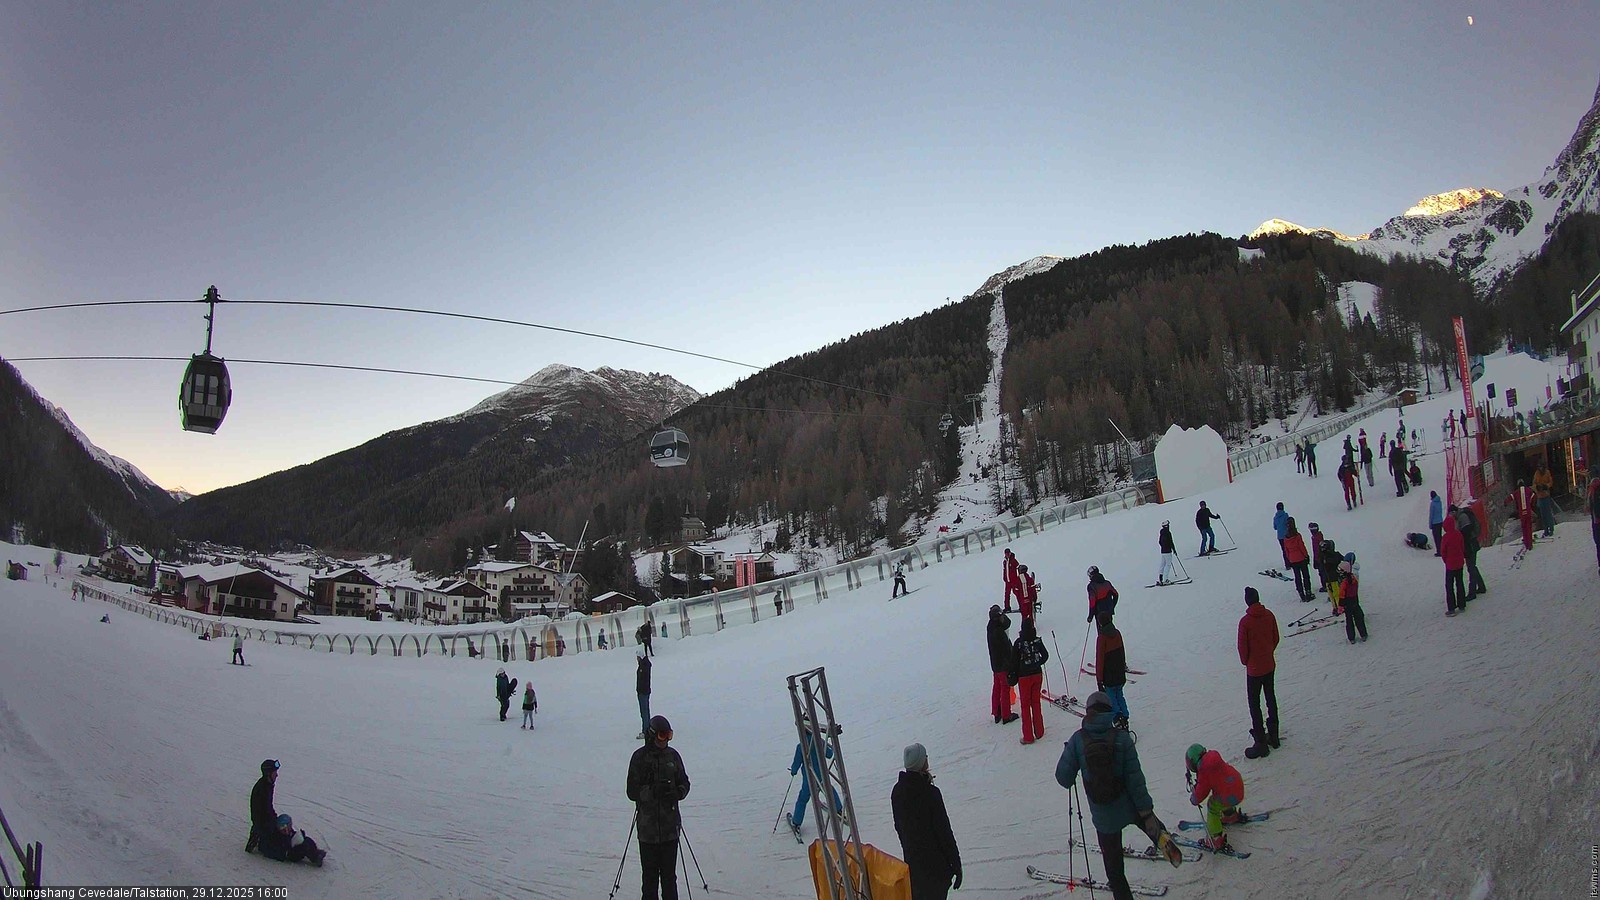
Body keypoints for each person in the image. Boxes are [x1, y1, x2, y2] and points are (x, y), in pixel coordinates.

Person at [1055, 692, 1183, 900]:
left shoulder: (1078, 740)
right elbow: (1136, 780)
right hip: (1129, 805)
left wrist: (1072, 755)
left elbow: (1063, 778)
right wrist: (1146, 811)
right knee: (1147, 821)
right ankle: (1162, 837)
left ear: (1088, 712)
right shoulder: (1122, 738)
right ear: (1109, 712)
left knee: (1115, 870)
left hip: (1104, 817)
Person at [626, 715, 690, 900]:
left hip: (670, 830)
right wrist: (653, 791)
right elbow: (632, 791)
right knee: (650, 880)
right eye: (663, 736)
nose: (666, 740)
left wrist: (677, 793)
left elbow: (684, 782)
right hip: (648, 833)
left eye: (669, 735)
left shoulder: (673, 756)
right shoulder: (639, 758)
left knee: (669, 879)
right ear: (653, 735)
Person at [892, 743, 962, 900]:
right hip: (936, 869)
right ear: (921, 763)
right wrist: (956, 864)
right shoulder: (930, 793)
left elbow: (898, 827)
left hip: (913, 868)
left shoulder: (897, 791)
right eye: (925, 757)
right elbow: (944, 832)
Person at [1237, 587, 1279, 759]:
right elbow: (1275, 638)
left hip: (1254, 670)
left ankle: (1260, 742)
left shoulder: (1245, 622)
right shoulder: (1269, 615)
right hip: (1269, 665)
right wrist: (1268, 652)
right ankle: (1274, 735)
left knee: (1254, 704)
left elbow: (1242, 648)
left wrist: (1247, 661)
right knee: (1270, 697)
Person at [1185, 744, 1245, 852]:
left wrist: (1194, 798)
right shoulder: (1214, 758)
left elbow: (1201, 792)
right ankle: (1230, 814)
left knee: (1212, 805)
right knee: (1221, 794)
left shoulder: (1204, 771)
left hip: (1228, 795)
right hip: (1237, 787)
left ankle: (1216, 839)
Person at [788, 724, 843, 833]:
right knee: (830, 790)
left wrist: (793, 771)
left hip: (809, 778)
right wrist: (824, 743)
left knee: (803, 799)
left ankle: (796, 822)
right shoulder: (819, 742)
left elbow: (796, 764)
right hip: (822, 775)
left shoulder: (801, 746)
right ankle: (839, 810)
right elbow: (829, 754)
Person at [1010, 618, 1048, 745]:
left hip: (1024, 677)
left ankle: (1028, 736)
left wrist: (1015, 673)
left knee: (1025, 706)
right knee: (1036, 702)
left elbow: (1014, 661)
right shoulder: (1037, 640)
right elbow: (1045, 655)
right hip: (1037, 674)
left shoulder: (1019, 643)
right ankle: (1039, 731)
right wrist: (1037, 663)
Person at [1094, 619, 1131, 729]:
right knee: (1119, 695)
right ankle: (1125, 716)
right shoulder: (1117, 633)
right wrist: (1123, 666)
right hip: (1119, 672)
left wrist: (1099, 679)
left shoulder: (1102, 638)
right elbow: (1122, 651)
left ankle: (1117, 718)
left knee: (1111, 698)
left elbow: (1100, 659)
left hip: (1109, 674)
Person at [987, 605, 1018, 725]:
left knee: (997, 687)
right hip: (1003, 664)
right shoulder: (999, 631)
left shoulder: (991, 627)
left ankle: (996, 713)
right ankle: (1006, 715)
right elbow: (1006, 649)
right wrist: (1011, 662)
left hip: (995, 663)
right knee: (1005, 688)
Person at [259, 813, 325, 866]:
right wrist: (285, 853)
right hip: (289, 853)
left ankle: (316, 853)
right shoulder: (276, 837)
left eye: (289, 826)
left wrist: (300, 835)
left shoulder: (289, 833)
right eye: (284, 829)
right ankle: (315, 858)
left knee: (307, 840)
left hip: (291, 847)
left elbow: (293, 836)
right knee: (303, 848)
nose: (287, 830)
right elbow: (269, 850)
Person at [1453, 503, 1487, 598]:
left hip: (1470, 545)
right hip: (1470, 545)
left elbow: (1466, 532)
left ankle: (1472, 592)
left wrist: (1461, 541)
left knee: (1471, 567)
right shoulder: (1460, 516)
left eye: (1451, 514)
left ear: (1454, 512)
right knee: (1472, 567)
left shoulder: (1462, 517)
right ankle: (1481, 587)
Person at [246, 758, 279, 854]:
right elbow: (259, 813)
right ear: (268, 774)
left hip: (266, 822)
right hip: (263, 824)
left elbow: (268, 806)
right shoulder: (262, 788)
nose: (277, 775)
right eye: (274, 772)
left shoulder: (268, 785)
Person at [1441, 514, 1467, 617]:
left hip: (1450, 565)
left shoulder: (1445, 537)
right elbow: (1462, 547)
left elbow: (1443, 551)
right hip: (1459, 563)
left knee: (1449, 586)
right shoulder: (1458, 534)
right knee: (1460, 583)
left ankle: (1451, 608)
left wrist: (1446, 561)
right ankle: (1462, 605)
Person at [1338, 556, 1367, 643]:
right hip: (1354, 600)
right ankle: (1363, 634)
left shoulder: (1344, 583)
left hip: (1347, 603)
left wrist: (1340, 606)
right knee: (1359, 618)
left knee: (1349, 621)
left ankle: (1351, 638)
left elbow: (1342, 595)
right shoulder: (1354, 579)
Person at [1283, 518, 1312, 602]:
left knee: (1297, 577)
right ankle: (1308, 592)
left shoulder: (1286, 538)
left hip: (1293, 559)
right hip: (1301, 558)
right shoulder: (1297, 535)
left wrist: (1289, 558)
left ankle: (1301, 593)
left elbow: (1286, 550)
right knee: (1305, 576)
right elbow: (1302, 546)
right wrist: (1306, 555)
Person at [1532, 462, 1556, 537]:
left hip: (1546, 495)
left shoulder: (1547, 472)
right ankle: (1546, 530)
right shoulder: (1536, 473)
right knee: (1543, 515)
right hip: (1540, 496)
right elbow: (1534, 483)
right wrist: (1537, 487)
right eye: (1539, 467)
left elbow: (1551, 482)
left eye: (1541, 467)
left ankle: (1551, 529)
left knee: (1548, 513)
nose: (1540, 468)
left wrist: (1546, 486)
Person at [1510, 481, 1536, 551]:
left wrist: (1505, 503)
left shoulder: (1516, 492)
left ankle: (1526, 542)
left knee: (1524, 527)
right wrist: (1532, 504)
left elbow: (1511, 497)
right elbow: (1533, 496)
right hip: (1528, 511)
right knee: (1529, 527)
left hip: (1522, 513)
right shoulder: (1528, 490)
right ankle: (1530, 544)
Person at [636, 652, 652, 739]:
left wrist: (640, 690)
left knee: (644, 712)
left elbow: (642, 679)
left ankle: (645, 731)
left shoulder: (643, 666)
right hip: (645, 691)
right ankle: (647, 729)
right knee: (646, 711)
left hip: (643, 692)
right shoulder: (645, 665)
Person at [1587, 467, 1600, 575]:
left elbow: (1590, 505)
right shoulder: (1592, 488)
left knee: (1598, 543)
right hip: (1596, 519)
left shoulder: (1592, 488)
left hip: (1597, 520)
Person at [1308, 522, 1327, 593]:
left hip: (1320, 558)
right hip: (1318, 557)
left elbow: (1318, 549)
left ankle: (1325, 585)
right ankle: (1325, 585)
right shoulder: (1315, 536)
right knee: (1321, 572)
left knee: (1322, 572)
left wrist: (1318, 558)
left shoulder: (1317, 537)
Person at [1272, 502, 1290, 567]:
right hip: (1287, 535)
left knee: (1284, 550)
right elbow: (1288, 524)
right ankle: (1292, 562)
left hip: (1280, 536)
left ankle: (1287, 564)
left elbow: (1275, 527)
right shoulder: (1285, 515)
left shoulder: (1275, 517)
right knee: (1290, 549)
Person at [1428, 491, 1446, 557]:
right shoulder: (1439, 502)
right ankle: (1443, 549)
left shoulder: (1432, 504)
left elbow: (1431, 515)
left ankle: (1439, 551)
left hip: (1435, 523)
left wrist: (1430, 524)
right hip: (1440, 521)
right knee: (1439, 537)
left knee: (1436, 538)